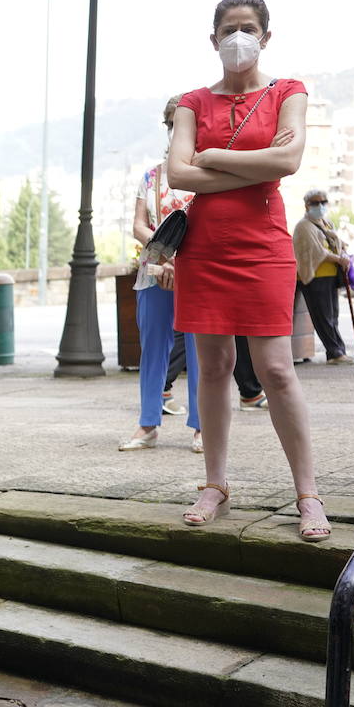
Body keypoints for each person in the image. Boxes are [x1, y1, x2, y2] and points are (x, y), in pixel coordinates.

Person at [168, 0, 331, 542]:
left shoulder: (289, 91)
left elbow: (288, 160)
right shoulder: (192, 102)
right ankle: (215, 483)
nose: (238, 38)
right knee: (211, 369)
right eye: (228, 29)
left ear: (265, 35)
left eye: (248, 28)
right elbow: (178, 175)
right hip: (205, 249)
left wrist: (211, 157)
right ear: (213, 39)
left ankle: (308, 494)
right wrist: (251, 167)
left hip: (263, 246)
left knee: (277, 370)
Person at [122, 96, 203, 454]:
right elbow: (139, 224)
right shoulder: (152, 177)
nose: (177, 129)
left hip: (198, 271)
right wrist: (164, 256)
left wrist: (181, 261)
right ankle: (148, 423)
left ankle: (204, 427)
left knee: (203, 350)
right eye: (172, 123)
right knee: (153, 347)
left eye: (184, 122)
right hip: (154, 270)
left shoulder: (207, 174)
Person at [293, 188, 354, 364]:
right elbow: (316, 252)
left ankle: (337, 351)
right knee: (323, 317)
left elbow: (336, 243)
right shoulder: (304, 226)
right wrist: (338, 258)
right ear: (307, 206)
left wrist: (342, 252)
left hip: (330, 275)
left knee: (333, 316)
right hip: (314, 276)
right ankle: (335, 353)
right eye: (315, 203)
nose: (320, 206)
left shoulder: (326, 222)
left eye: (323, 202)